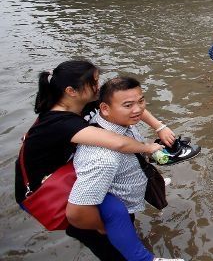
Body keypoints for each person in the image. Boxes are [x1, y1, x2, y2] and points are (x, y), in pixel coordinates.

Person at [14, 60, 180, 261]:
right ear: (71, 90)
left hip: (70, 170)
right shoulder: (60, 122)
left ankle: (124, 238)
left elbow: (127, 104)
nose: (98, 86)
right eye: (94, 82)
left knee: (116, 214)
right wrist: (148, 147)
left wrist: (160, 127)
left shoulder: (81, 102)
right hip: (43, 187)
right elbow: (117, 143)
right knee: (112, 218)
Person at [66, 77, 185, 261]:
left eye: (141, 101)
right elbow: (76, 213)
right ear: (104, 108)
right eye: (128, 105)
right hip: (106, 219)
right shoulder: (103, 158)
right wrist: (104, 228)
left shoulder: (114, 122)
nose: (138, 110)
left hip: (123, 193)